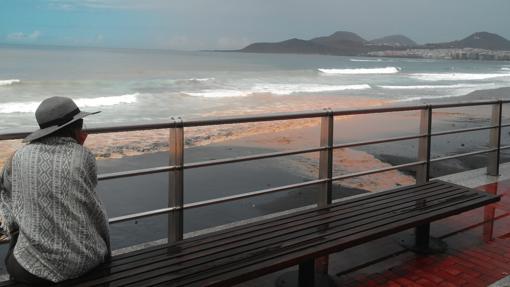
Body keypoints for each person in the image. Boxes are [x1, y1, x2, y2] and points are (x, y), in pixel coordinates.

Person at [0, 96, 110, 284]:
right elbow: (87, 199)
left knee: (14, 245)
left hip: (34, 272)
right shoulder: (83, 156)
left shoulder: (18, 157)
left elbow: (6, 191)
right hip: (86, 261)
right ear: (76, 128)